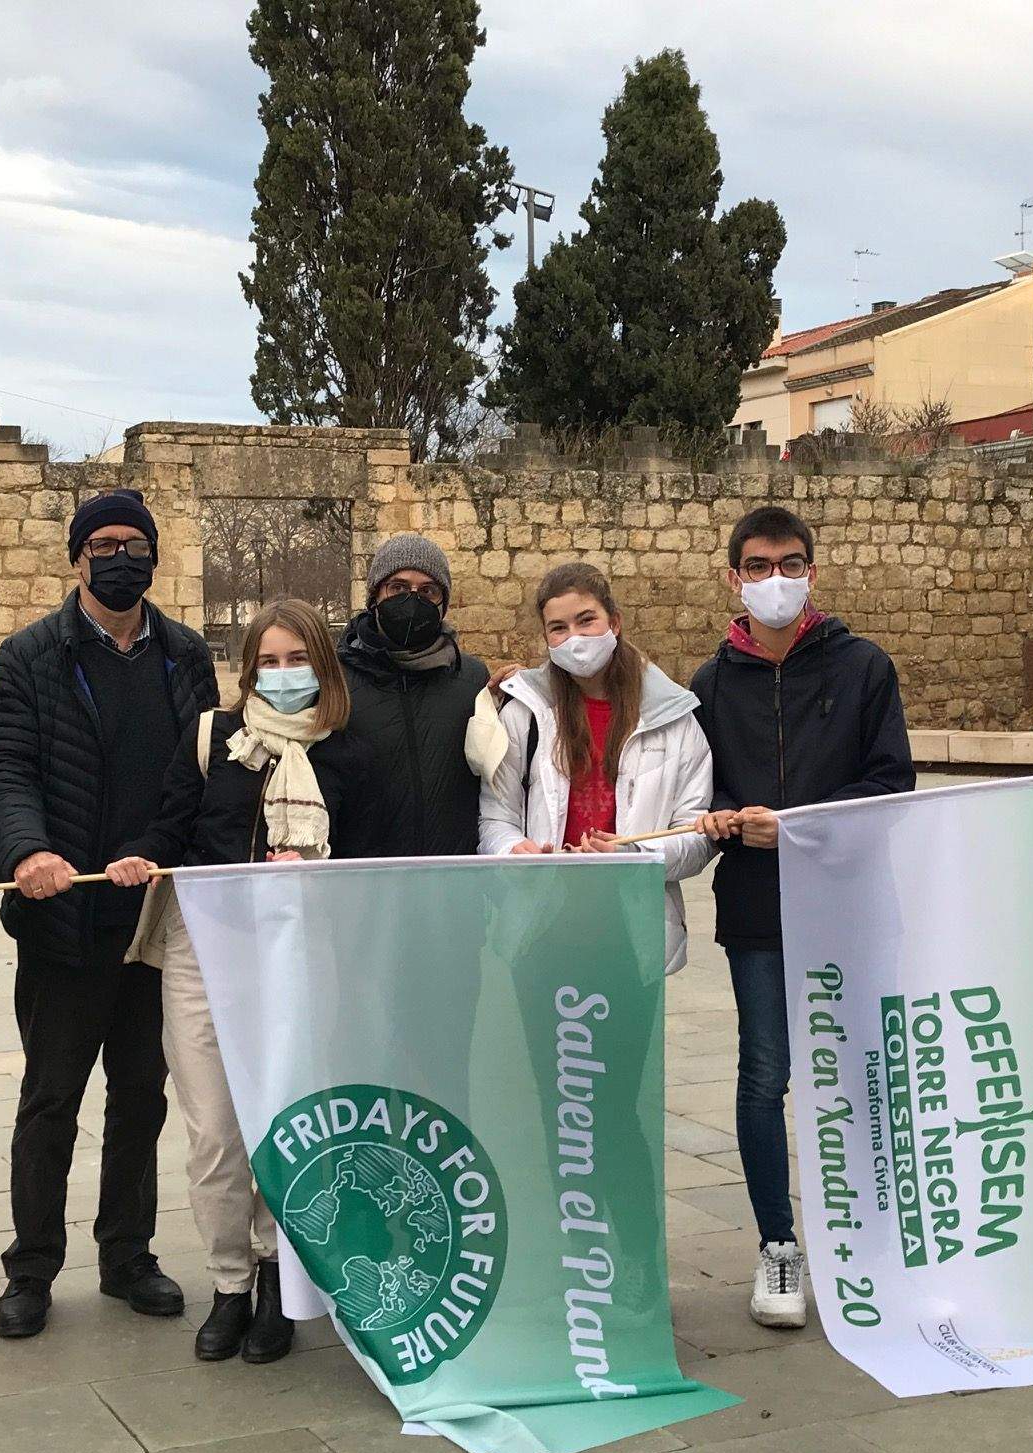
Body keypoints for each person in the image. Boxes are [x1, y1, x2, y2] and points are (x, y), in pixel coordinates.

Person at [106, 599, 373, 1365]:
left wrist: (316, 869)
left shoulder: (350, 750)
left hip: (299, 956)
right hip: (205, 948)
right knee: (215, 1133)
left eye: (298, 660)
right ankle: (229, 1283)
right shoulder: (212, 736)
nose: (282, 675)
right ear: (248, 669)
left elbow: (372, 861)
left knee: (280, 1129)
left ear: (323, 665)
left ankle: (274, 1281)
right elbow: (172, 826)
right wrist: (141, 855)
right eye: (268, 662)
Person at [0, 490, 219, 1339]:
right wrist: (27, 854)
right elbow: (6, 769)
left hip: (153, 920)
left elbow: (201, 770)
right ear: (78, 556)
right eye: (105, 544)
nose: (122, 558)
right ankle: (31, 1268)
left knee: (141, 1097)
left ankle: (128, 1255)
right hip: (63, 921)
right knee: (50, 1101)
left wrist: (156, 849)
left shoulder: (185, 656)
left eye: (136, 544)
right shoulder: (28, 656)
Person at [687, 506, 914, 1330]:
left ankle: (878, 1247)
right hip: (756, 907)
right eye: (757, 566)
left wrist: (795, 828)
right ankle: (778, 1247)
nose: (774, 579)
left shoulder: (863, 667)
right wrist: (719, 812)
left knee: (863, 1074)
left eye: (789, 564)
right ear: (734, 578)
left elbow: (890, 783)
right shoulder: (710, 685)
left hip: (850, 903)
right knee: (764, 1074)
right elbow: (698, 784)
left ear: (811, 572)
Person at [478, 562, 714, 973]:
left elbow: (696, 835)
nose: (574, 638)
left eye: (586, 620)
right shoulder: (524, 716)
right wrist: (512, 851)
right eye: (558, 628)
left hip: (631, 932)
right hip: (541, 929)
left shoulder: (673, 719)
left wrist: (635, 855)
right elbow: (496, 816)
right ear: (546, 638)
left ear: (614, 623)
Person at [337, 534, 508, 856]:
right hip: (366, 875)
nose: (412, 600)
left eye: (428, 591)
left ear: (443, 604)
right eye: (398, 588)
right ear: (375, 596)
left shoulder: (471, 679)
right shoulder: (338, 679)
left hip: (451, 873)